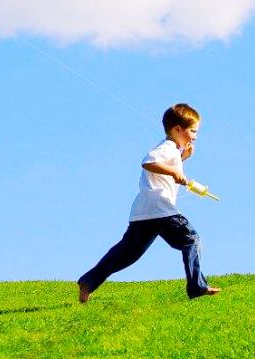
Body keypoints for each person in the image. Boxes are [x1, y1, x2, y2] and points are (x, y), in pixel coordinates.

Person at [77, 103, 220, 302]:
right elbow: (147, 161)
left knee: (127, 254)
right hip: (160, 208)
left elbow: (164, 165)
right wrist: (174, 170)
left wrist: (182, 158)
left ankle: (88, 282)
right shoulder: (167, 147)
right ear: (178, 129)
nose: (195, 136)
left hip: (144, 212)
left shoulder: (173, 151)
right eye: (193, 131)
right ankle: (196, 286)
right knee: (191, 239)